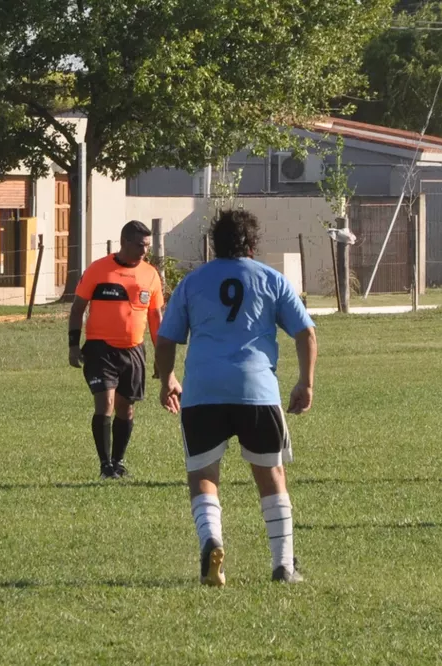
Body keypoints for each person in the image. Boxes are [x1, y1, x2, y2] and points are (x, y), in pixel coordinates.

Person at [154, 209, 317, 587]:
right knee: (271, 475)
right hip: (256, 390)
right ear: (252, 244)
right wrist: (305, 383)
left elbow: (165, 338)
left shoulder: (193, 283)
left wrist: (168, 380)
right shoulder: (271, 279)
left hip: (204, 392)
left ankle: (212, 539)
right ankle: (283, 566)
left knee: (203, 475)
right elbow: (306, 334)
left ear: (214, 243)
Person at [68, 220, 171, 479]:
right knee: (106, 403)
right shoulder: (98, 269)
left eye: (147, 245)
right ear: (124, 242)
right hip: (99, 348)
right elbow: (78, 307)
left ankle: (118, 462)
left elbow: (155, 317)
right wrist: (73, 344)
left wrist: (160, 357)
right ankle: (105, 466)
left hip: (134, 350)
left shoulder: (150, 274)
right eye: (140, 245)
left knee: (127, 408)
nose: (144, 250)